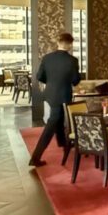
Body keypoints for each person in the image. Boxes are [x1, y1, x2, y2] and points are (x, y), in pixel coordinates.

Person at [29, 32, 81, 167]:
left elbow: (39, 76)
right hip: (63, 95)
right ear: (70, 44)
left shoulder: (47, 58)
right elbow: (75, 81)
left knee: (58, 120)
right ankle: (35, 157)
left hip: (50, 94)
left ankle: (63, 144)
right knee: (52, 124)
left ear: (58, 43)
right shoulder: (73, 61)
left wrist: (52, 82)